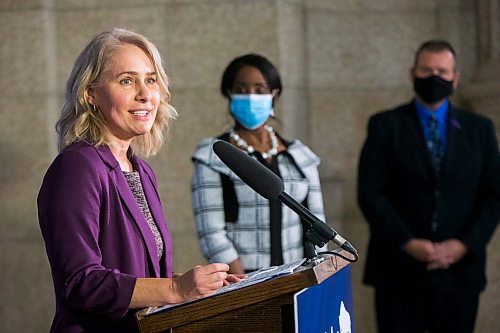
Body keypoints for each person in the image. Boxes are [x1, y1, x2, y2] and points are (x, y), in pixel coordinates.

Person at [37, 28, 242, 333]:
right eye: (127, 81)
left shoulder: (140, 171)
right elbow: (81, 281)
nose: (145, 94)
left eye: (150, 80)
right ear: (90, 93)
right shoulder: (77, 167)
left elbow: (139, 273)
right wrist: (175, 289)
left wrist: (199, 286)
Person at [357, 40, 500, 333]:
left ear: (455, 78)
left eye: (442, 71)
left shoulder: (480, 130)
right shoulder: (385, 125)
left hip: (460, 272)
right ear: (413, 74)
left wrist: (461, 245)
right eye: (426, 70)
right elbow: (371, 193)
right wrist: (408, 242)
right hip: (398, 269)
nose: (434, 77)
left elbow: (494, 196)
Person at [191, 53, 327, 274]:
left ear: (274, 95)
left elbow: (317, 222)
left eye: (259, 90)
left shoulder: (299, 156)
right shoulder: (213, 155)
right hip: (244, 281)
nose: (251, 97)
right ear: (229, 94)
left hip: (298, 277)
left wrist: (317, 274)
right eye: (242, 90)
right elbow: (211, 232)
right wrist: (244, 285)